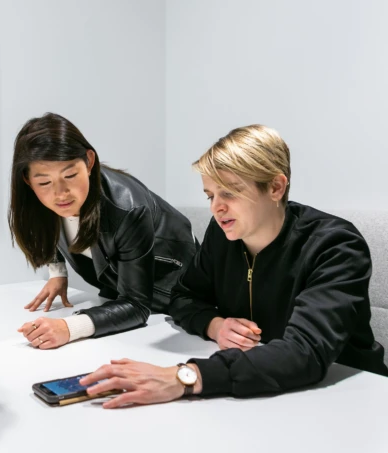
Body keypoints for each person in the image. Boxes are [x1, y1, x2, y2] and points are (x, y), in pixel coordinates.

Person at [80, 124, 388, 408]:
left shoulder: (336, 246)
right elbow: (183, 297)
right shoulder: (224, 233)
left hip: (351, 397)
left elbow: (304, 352)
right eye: (211, 195)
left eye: (230, 192)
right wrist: (215, 325)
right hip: (263, 388)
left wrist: (184, 377)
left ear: (276, 187)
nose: (216, 207)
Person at [9, 113, 198, 349]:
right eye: (44, 182)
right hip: (121, 291)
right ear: (27, 180)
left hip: (172, 296)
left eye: (69, 175)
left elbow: (137, 305)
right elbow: (49, 227)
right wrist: (57, 272)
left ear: (89, 162)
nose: (60, 193)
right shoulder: (40, 202)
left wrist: (69, 328)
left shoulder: (128, 208)